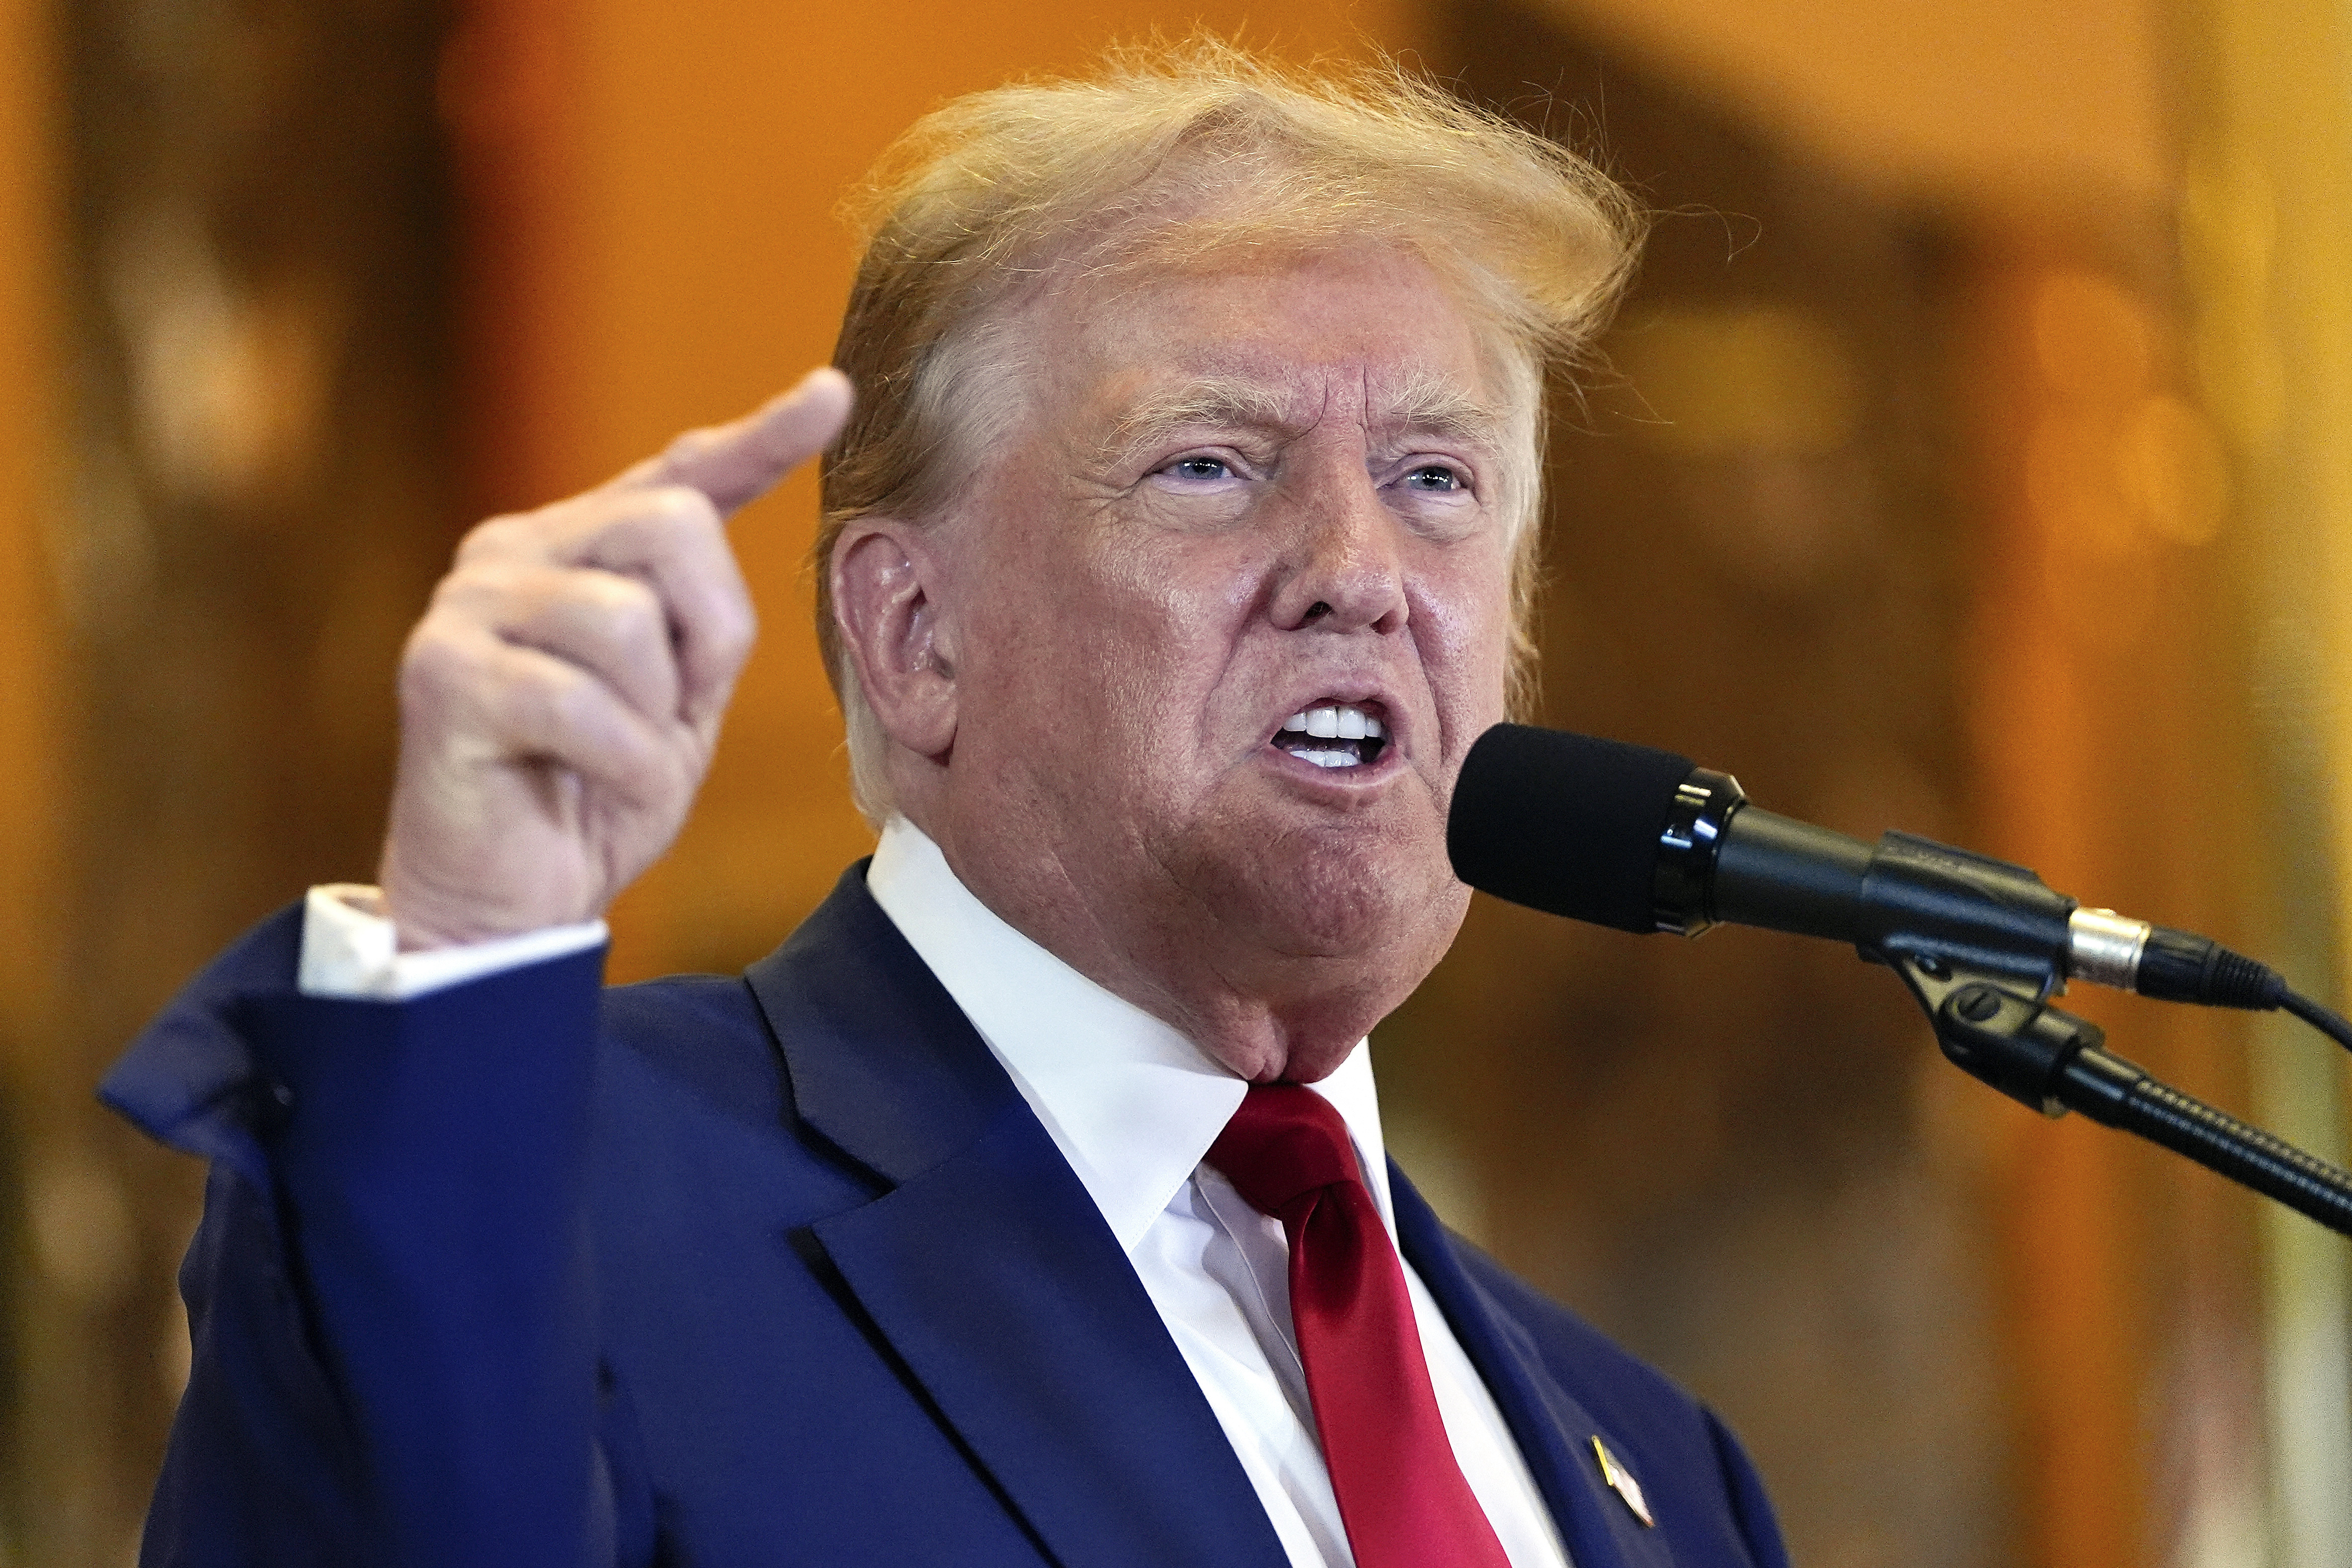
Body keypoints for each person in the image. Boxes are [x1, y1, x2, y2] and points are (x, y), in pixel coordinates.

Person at [105, 43, 1791, 1568]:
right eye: (1211, 462)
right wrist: (466, 958)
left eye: (1436, 480)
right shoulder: (554, 1201)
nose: (1360, 570)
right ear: (915, 637)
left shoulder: (1662, 1466)